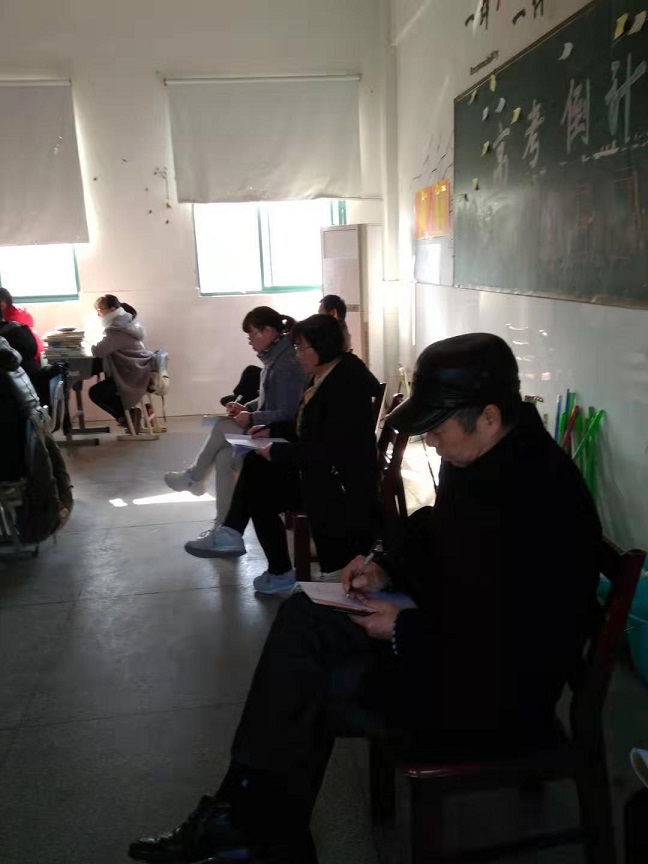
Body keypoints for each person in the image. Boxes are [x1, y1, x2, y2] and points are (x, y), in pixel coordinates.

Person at [127, 332, 603, 864]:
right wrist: (383, 562)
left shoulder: (540, 496)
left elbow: (525, 639)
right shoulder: (489, 457)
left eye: (438, 428)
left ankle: (252, 827)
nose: (433, 442)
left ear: (489, 416)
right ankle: (251, 824)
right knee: (305, 613)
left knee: (309, 684)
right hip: (453, 646)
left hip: (494, 695)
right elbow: (436, 529)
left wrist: (402, 628)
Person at [200, 314, 383, 594]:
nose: (297, 355)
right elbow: (308, 426)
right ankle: (241, 539)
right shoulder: (325, 375)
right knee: (256, 471)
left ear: (322, 346)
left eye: (301, 348)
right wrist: (272, 429)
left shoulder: (344, 385)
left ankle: (269, 562)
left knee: (258, 486)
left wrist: (280, 450)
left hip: (338, 485)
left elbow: (331, 447)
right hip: (321, 471)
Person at [168, 307, 308, 557]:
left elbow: (287, 413)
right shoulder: (275, 358)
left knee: (222, 426)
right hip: (270, 427)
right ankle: (223, 529)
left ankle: (195, 477)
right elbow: (267, 400)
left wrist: (251, 417)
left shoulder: (286, 363)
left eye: (252, 334)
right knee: (224, 458)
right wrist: (246, 407)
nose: (250, 341)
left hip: (281, 436)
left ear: (269, 331)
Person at [88, 294, 156, 425]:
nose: (98, 314)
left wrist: (89, 342)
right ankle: (130, 416)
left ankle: (128, 417)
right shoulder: (127, 321)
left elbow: (99, 351)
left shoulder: (116, 328)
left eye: (100, 310)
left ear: (112, 310)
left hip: (133, 374)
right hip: (141, 368)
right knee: (104, 387)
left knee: (96, 393)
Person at [0, 286, 44, 358]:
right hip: (34, 355)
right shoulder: (20, 312)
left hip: (24, 358)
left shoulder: (12, 322)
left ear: (2, 305)